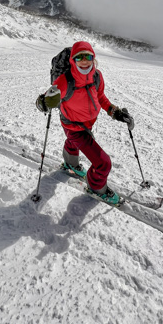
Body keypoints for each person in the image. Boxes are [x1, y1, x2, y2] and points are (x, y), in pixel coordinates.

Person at [36, 41, 134, 205]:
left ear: (93, 59)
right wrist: (43, 102)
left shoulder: (97, 76)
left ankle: (70, 163)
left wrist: (115, 112)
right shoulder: (65, 81)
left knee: (73, 143)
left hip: (87, 123)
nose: (84, 60)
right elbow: (47, 98)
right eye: (79, 57)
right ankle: (96, 187)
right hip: (73, 126)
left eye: (88, 56)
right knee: (103, 163)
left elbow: (101, 97)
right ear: (73, 60)